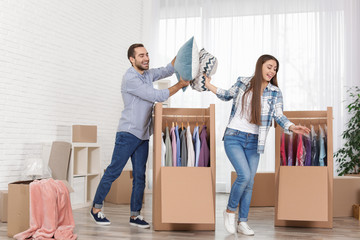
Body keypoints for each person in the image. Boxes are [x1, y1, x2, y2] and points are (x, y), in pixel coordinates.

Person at [204, 54, 310, 236]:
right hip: (234, 136)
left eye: (275, 69)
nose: (272, 71)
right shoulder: (243, 82)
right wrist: (208, 85)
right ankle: (229, 211)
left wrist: (292, 127)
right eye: (269, 67)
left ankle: (242, 222)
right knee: (244, 176)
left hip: (255, 140)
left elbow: (279, 115)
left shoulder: (275, 92)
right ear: (260, 65)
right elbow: (226, 94)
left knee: (250, 181)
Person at [90, 43, 189, 227]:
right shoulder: (130, 78)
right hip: (128, 133)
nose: (146, 58)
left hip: (143, 134)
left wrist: (182, 55)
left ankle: (135, 216)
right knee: (114, 171)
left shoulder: (147, 74)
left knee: (140, 176)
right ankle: (95, 209)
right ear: (132, 59)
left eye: (147, 54)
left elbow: (167, 69)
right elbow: (158, 96)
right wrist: (180, 84)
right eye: (141, 56)